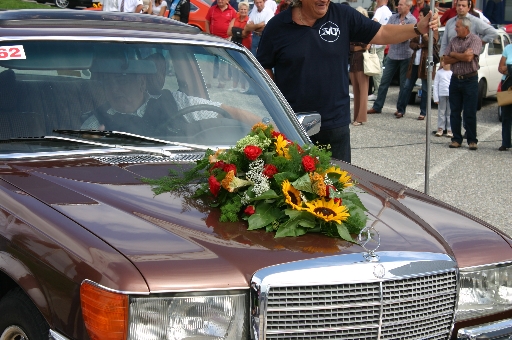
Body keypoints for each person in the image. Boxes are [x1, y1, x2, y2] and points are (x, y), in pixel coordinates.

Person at [256, 0, 438, 163]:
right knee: (294, 192)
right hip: (293, 124)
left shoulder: (342, 15)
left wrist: (417, 29)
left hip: (335, 124)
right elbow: (263, 66)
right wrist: (276, 105)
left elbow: (381, 33)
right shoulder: (277, 26)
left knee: (337, 193)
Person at [82, 54, 259, 133]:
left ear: (142, 83)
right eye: (108, 84)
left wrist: (270, 131)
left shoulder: (176, 101)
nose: (114, 90)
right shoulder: (96, 122)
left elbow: (228, 112)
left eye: (121, 81)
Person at [367, 0, 417, 116]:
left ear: (408, 6)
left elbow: (409, 37)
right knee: (384, 81)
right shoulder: (393, 18)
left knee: (403, 84)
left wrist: (399, 32)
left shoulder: (412, 20)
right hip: (393, 54)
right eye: (398, 4)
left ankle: (400, 109)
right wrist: (399, 31)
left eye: (401, 5)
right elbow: (388, 33)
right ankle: (377, 106)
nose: (398, 6)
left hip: (406, 55)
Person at [443, 17, 481, 150]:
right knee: (454, 111)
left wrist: (454, 54)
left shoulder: (475, 40)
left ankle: (472, 140)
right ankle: (456, 139)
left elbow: (469, 57)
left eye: (458, 26)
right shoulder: (453, 40)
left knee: (469, 111)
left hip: (470, 80)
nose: (455, 28)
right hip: (455, 79)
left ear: (466, 28)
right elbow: (445, 60)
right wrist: (460, 55)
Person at [395, 6, 438, 120]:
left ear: (425, 16)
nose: (418, 17)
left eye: (420, 15)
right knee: (407, 86)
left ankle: (423, 112)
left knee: (425, 88)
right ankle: (401, 109)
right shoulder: (417, 27)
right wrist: (419, 45)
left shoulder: (433, 28)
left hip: (425, 62)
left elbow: (432, 42)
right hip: (415, 61)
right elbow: (411, 43)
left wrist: (424, 36)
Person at [350, 8, 370, 126]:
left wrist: (354, 46)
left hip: (362, 62)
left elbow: (365, 45)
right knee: (356, 91)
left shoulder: (365, 30)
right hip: (353, 62)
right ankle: (356, 116)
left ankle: (361, 117)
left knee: (363, 91)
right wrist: (356, 46)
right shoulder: (353, 30)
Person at [369, 0, 392, 101]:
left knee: (375, 68)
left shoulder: (380, 10)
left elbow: (374, 23)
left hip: (376, 43)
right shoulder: (389, 11)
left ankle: (378, 92)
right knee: (379, 67)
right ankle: (379, 91)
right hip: (383, 42)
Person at [227, 1, 252, 92]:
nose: (243, 11)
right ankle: (234, 86)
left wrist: (236, 32)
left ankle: (242, 87)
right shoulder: (234, 19)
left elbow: (245, 34)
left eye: (245, 9)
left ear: (248, 10)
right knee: (234, 66)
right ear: (238, 10)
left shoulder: (249, 20)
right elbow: (228, 32)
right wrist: (239, 33)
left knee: (243, 67)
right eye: (241, 9)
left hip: (244, 46)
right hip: (234, 44)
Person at [497, 44, 512, 151]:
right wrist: (508, 68)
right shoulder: (508, 48)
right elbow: (500, 68)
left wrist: (508, 68)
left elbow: (505, 68)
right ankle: (505, 142)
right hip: (507, 83)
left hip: (508, 78)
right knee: (506, 115)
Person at [433, 61, 453, 137]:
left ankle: (450, 129)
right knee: (441, 112)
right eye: (443, 62)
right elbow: (435, 85)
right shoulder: (439, 73)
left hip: (450, 95)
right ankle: (440, 128)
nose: (444, 63)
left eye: (446, 62)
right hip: (441, 94)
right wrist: (436, 98)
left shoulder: (452, 72)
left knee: (449, 112)